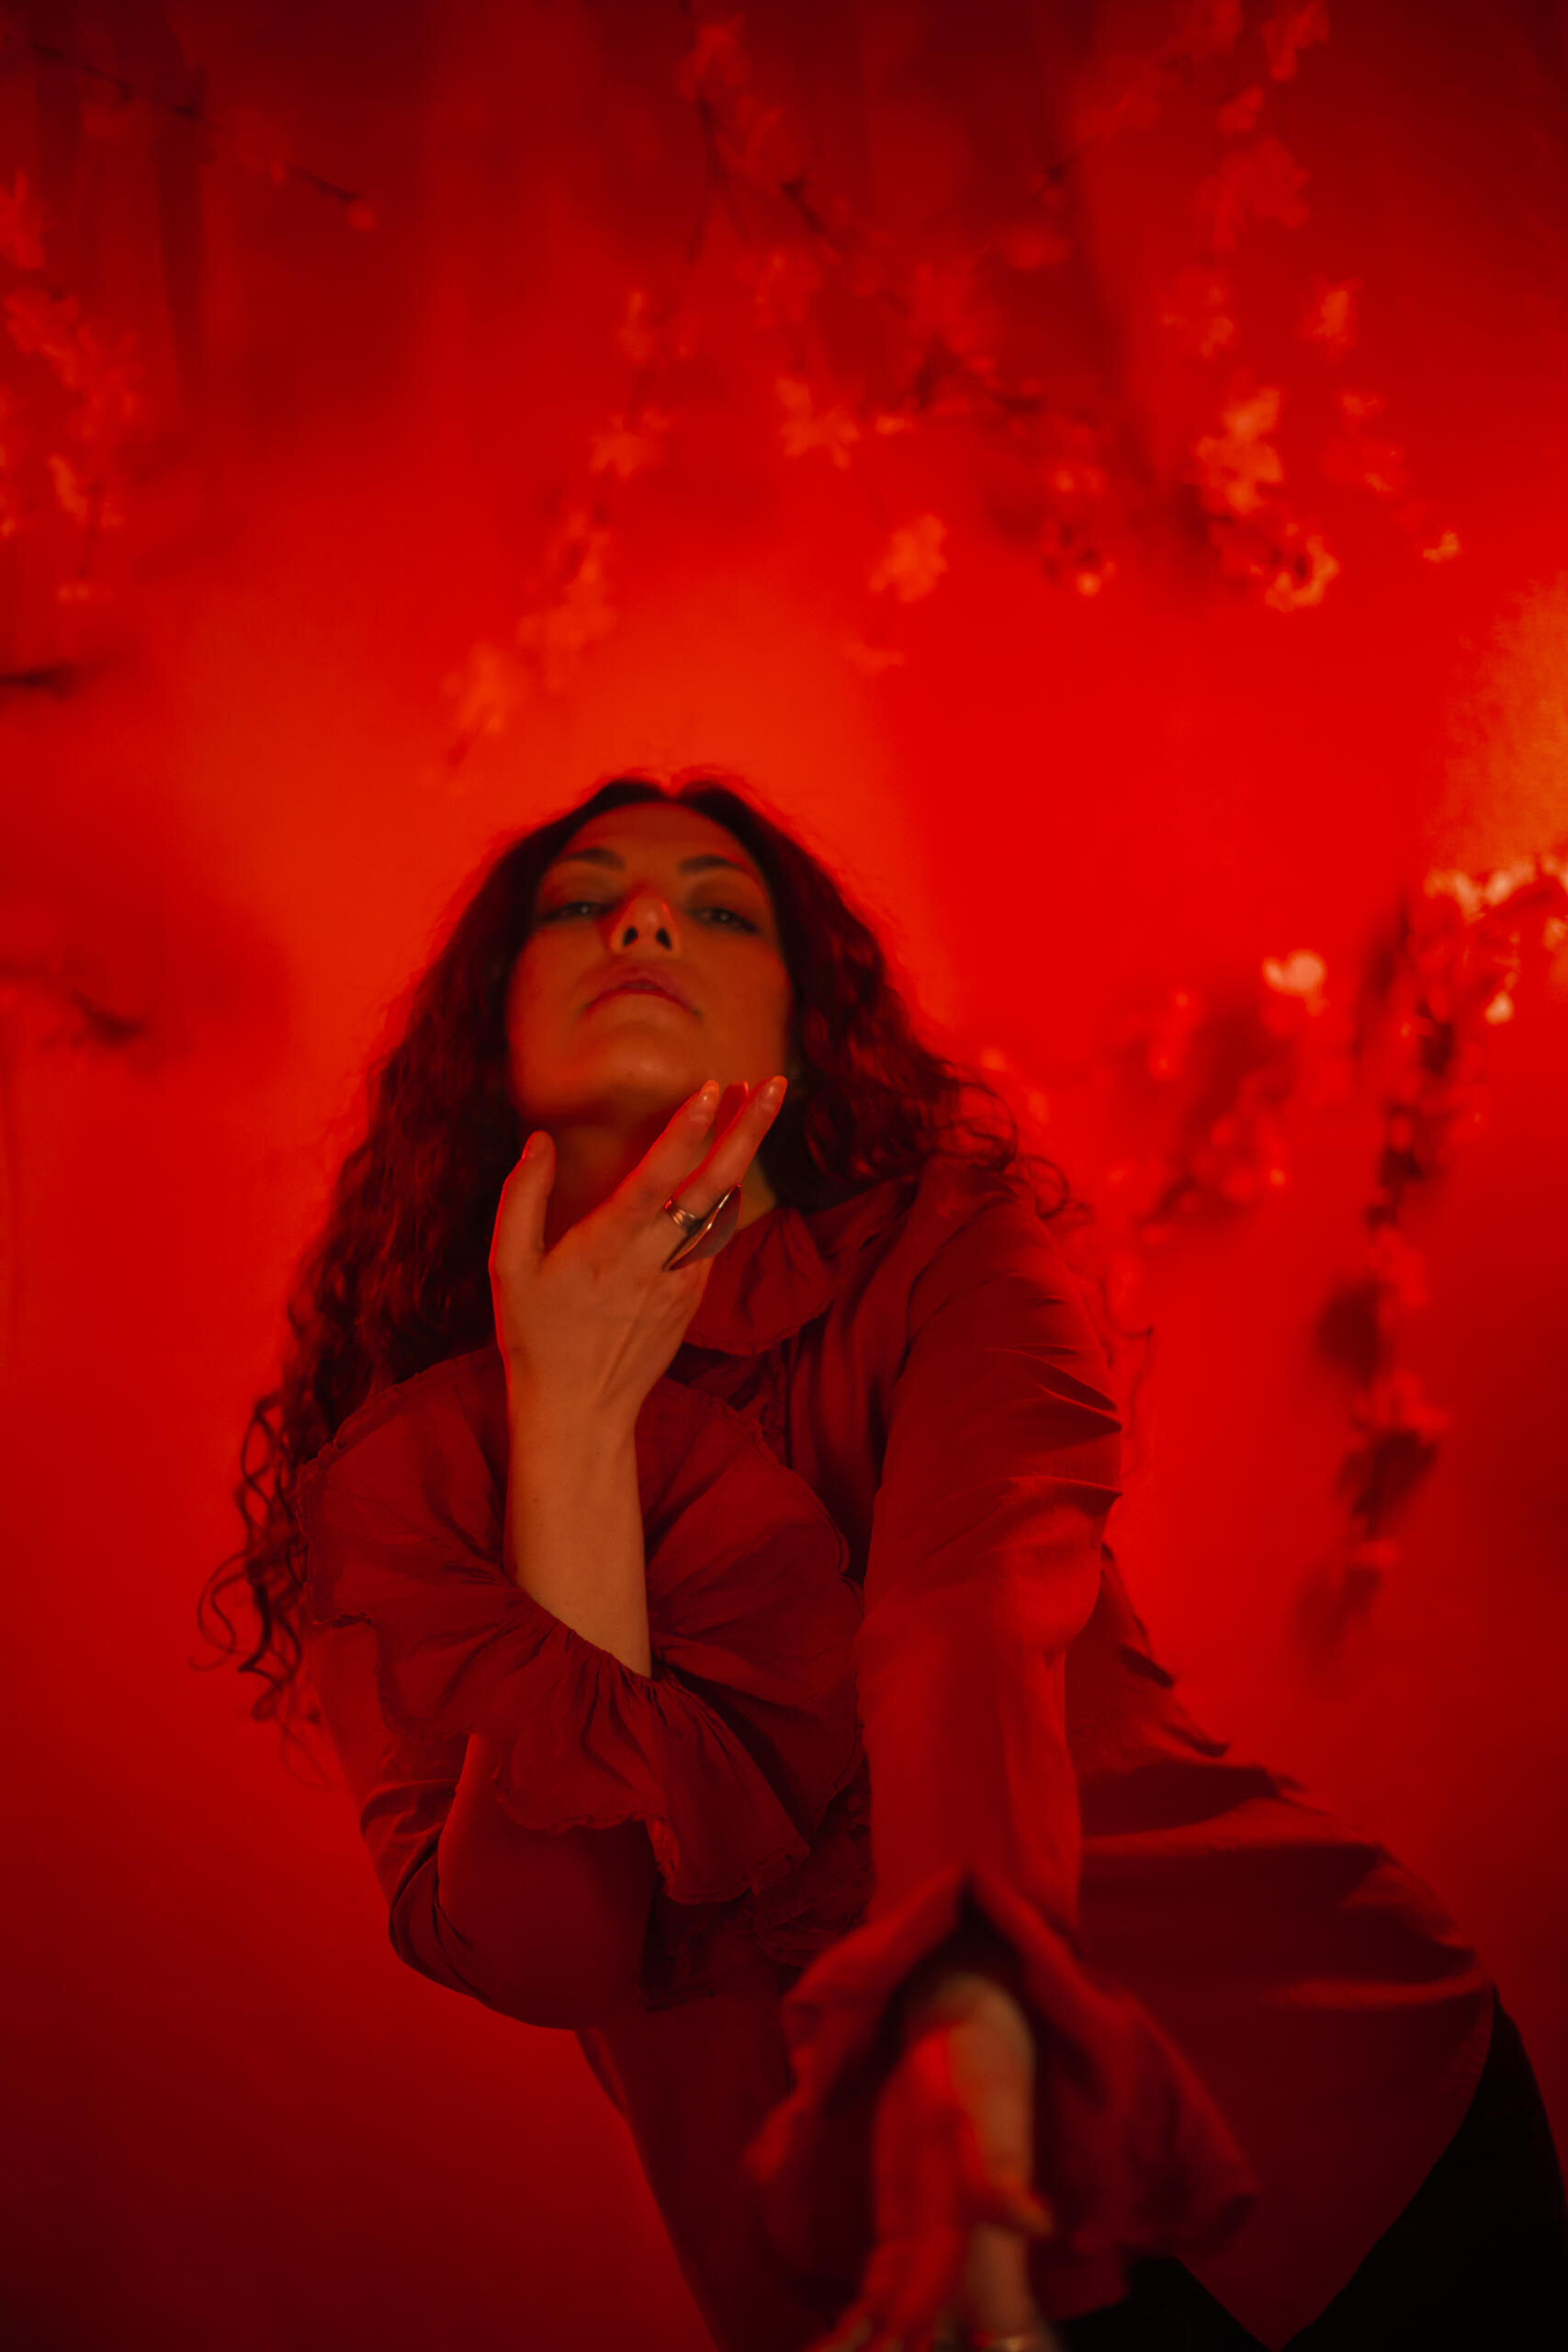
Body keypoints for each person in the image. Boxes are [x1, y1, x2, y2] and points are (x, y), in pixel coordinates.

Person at [202, 773, 1568, 2352]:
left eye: (720, 909)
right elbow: (555, 1950)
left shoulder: (954, 1251)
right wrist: (568, 1423)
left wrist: (965, 2024)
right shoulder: (395, 1480)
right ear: (486, 1034)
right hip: (870, 2275)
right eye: (583, 902)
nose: (645, 921)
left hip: (1316, 2107)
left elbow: (962, 1622)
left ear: (799, 1029)